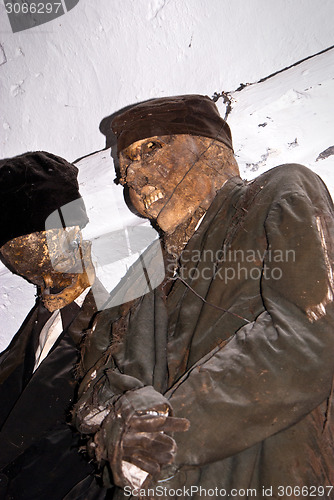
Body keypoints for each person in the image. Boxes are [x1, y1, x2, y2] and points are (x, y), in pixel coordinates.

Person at [74, 95, 334, 500]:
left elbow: (309, 328)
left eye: (150, 150)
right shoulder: (140, 276)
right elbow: (93, 390)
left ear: (213, 149)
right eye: (123, 174)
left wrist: (170, 425)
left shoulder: (278, 190)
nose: (134, 179)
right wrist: (122, 421)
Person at [0, 152, 109, 499]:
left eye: (33, 248)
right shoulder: (28, 336)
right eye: (17, 258)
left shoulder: (121, 325)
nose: (30, 267)